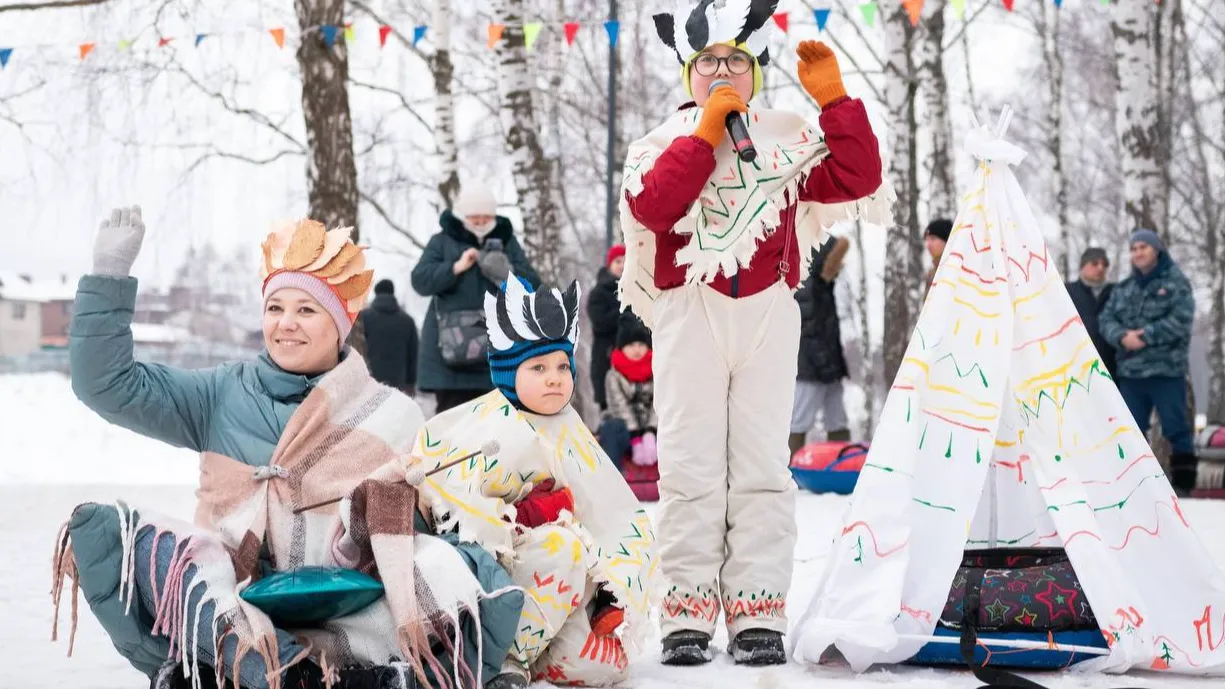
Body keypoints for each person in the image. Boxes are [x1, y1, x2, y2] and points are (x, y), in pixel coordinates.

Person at [54, 208, 523, 689]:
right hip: (235, 599)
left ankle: (308, 674)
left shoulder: (392, 414)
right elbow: (106, 385)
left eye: (306, 310)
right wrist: (108, 277)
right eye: (275, 308)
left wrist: (374, 512)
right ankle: (287, 671)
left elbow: (410, 532)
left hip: (355, 606)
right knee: (121, 540)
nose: (287, 324)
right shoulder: (217, 395)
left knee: (458, 563)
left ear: (339, 323)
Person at [619, 0, 888, 666]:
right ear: (687, 74)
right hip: (689, 311)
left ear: (753, 73)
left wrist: (834, 104)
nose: (720, 70)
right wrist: (704, 134)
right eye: (706, 60)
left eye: (734, 61)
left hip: (768, 308)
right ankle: (685, 613)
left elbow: (859, 177)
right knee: (690, 467)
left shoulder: (787, 137)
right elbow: (655, 206)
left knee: (763, 469)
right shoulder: (657, 144)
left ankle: (756, 610)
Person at [412, 273, 660, 689]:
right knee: (561, 547)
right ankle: (498, 658)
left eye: (562, 365)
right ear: (509, 372)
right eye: (539, 367)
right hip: (498, 584)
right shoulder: (483, 425)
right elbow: (453, 509)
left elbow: (612, 511)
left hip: (562, 592)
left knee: (604, 668)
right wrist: (525, 514)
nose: (554, 377)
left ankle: (531, 652)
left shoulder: (571, 429)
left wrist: (610, 581)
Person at [413, 182, 539, 413]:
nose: (481, 224)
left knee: (497, 425)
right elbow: (420, 280)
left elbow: (533, 287)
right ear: (462, 216)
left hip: (496, 356)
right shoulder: (441, 242)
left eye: (486, 218)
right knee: (452, 428)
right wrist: (455, 268)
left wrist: (505, 271)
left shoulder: (507, 242)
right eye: (474, 218)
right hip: (450, 360)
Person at [1099, 229, 1198, 496]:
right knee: (1130, 431)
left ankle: (1184, 487)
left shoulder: (1176, 283)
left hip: (1166, 371)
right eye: (1134, 248)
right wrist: (1121, 337)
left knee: (1176, 429)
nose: (1138, 252)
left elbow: (1181, 320)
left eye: (1143, 247)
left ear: (1157, 250)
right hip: (1131, 373)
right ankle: (1134, 488)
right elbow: (1106, 320)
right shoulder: (1124, 289)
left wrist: (1144, 336)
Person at [790, 234, 852, 457]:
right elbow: (809, 331)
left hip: (828, 363)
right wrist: (824, 363)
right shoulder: (807, 286)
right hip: (812, 366)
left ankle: (842, 463)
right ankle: (788, 469)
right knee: (800, 418)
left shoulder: (822, 286)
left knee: (837, 417)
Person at [597, 313, 657, 470]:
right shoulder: (614, 375)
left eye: (641, 345)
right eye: (631, 345)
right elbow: (619, 405)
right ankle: (613, 477)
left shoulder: (657, 369)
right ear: (622, 348)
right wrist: (636, 436)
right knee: (611, 427)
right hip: (626, 429)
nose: (637, 350)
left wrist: (650, 431)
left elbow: (659, 403)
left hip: (654, 430)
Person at [358, 279, 419, 395]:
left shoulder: (363, 318)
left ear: (376, 293)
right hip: (398, 381)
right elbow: (413, 355)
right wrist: (411, 383)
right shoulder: (407, 321)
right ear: (392, 293)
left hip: (369, 379)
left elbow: (356, 348)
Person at [1064, 247, 1117, 378]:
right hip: (1076, 369)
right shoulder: (1066, 291)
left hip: (1111, 369)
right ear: (1082, 266)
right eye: (1094, 263)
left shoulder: (1116, 292)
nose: (1100, 268)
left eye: (1104, 264)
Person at [586, 244, 627, 410]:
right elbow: (599, 321)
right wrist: (624, 311)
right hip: (607, 354)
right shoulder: (599, 292)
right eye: (618, 261)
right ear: (610, 264)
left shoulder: (637, 288)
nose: (622, 265)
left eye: (626, 261)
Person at [924, 218, 953, 293]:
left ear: (946, 241)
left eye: (933, 239)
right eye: (926, 240)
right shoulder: (931, 273)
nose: (928, 244)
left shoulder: (954, 269)